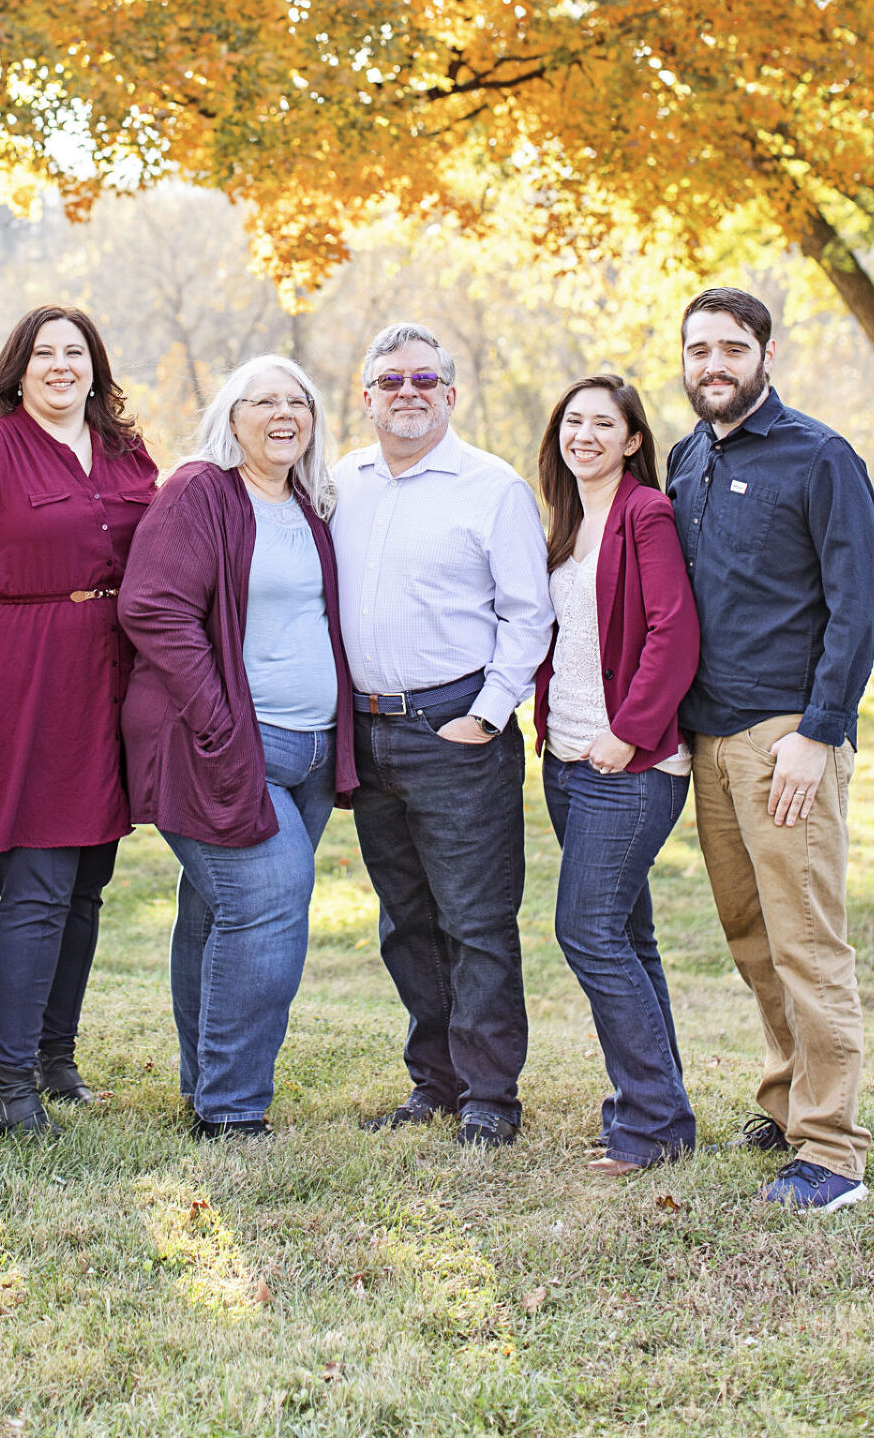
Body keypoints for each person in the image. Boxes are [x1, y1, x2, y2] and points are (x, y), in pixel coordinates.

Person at [0, 307, 158, 1137]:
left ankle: (56, 1059)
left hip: (109, 681)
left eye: (74, 352)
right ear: (18, 365)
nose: (59, 366)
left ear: (95, 365)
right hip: (20, 681)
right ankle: (10, 1085)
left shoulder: (125, 451)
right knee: (39, 889)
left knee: (88, 888)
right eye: (43, 353)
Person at [669, 286, 874, 1214]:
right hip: (709, 736)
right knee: (753, 938)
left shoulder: (820, 455)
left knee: (806, 942)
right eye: (697, 349)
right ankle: (788, 1099)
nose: (712, 364)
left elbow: (860, 604)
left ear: (763, 351)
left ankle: (833, 1153)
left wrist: (818, 732)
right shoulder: (686, 459)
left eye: (730, 346)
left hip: (786, 738)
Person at [119, 356, 356, 1138]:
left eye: (299, 400)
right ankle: (231, 1107)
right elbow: (153, 608)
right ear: (232, 415)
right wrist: (222, 725)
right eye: (265, 400)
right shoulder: (200, 491)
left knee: (218, 909)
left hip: (312, 751)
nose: (283, 413)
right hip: (217, 746)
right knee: (268, 899)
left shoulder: (312, 503)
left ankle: (203, 1082)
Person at [332, 322, 552, 1147]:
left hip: (455, 727)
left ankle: (491, 1095)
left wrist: (488, 713)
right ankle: (437, 1080)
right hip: (367, 728)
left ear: (451, 394)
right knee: (406, 921)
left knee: (476, 919)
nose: (407, 392)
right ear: (367, 397)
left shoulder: (491, 487)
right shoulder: (340, 481)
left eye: (425, 379)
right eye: (389, 381)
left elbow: (528, 614)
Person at [532, 374, 700, 1174]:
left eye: (605, 423)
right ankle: (659, 1110)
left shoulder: (646, 514)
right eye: (575, 421)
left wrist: (627, 734)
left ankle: (652, 1120)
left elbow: (674, 630)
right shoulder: (567, 520)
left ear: (634, 439)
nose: (586, 434)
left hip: (631, 764)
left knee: (587, 930)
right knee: (630, 934)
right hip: (567, 760)